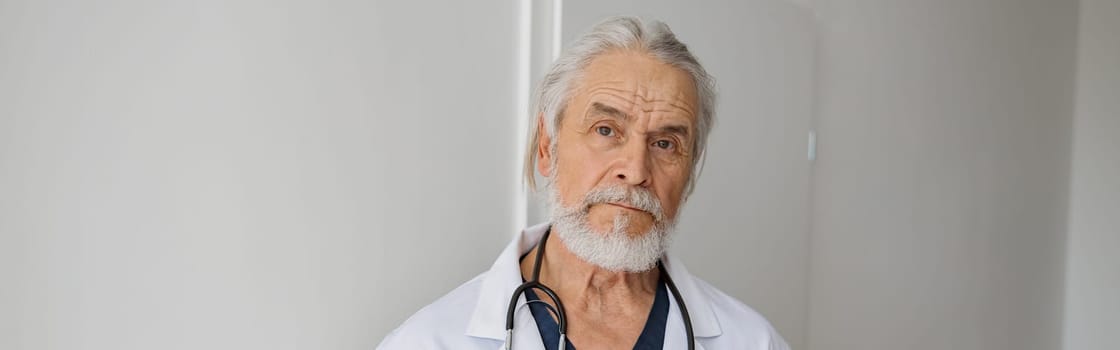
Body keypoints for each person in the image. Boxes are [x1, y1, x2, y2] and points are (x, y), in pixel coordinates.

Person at [377, 16, 790, 350]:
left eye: (665, 143)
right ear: (546, 147)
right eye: (606, 130)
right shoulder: (428, 341)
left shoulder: (752, 341)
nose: (636, 169)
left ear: (690, 169)